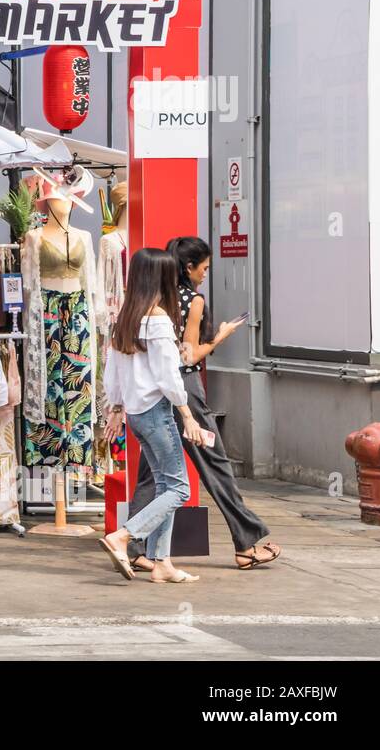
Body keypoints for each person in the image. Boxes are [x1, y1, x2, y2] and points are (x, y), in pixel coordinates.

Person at [124, 237, 281, 572]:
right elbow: (190, 354)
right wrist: (220, 336)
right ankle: (246, 542)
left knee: (152, 474)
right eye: (204, 268)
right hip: (186, 392)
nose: (206, 274)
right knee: (215, 464)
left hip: (153, 394)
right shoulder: (193, 301)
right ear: (189, 268)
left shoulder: (156, 301)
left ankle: (134, 547)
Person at [99, 248, 206, 584]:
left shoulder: (127, 318)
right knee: (179, 489)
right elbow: (168, 376)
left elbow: (112, 373)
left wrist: (116, 408)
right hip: (157, 412)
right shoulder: (158, 319)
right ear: (161, 278)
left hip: (135, 413)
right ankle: (125, 536)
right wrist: (187, 413)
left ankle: (161, 562)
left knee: (164, 486)